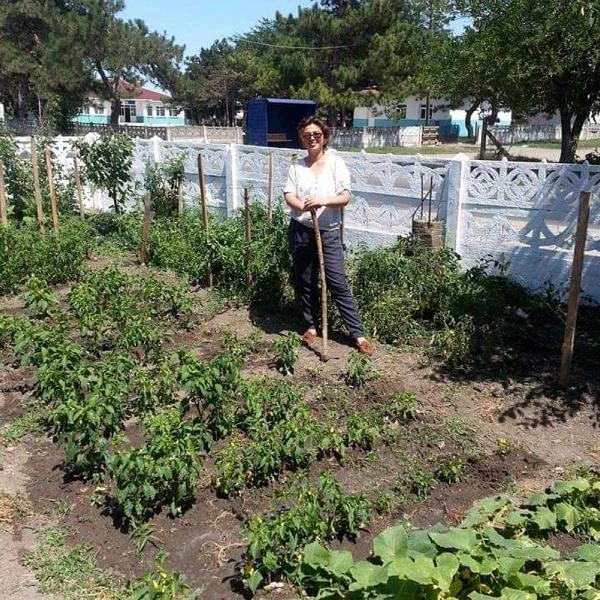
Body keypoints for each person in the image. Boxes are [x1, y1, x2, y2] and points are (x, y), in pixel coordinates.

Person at [284, 115, 373, 355]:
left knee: (337, 282)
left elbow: (345, 197)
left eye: (317, 134)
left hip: (328, 233)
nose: (312, 138)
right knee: (306, 281)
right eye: (307, 135)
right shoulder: (296, 166)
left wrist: (323, 200)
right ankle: (311, 327)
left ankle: (358, 334)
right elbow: (289, 195)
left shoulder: (336, 163)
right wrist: (303, 206)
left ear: (324, 137)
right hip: (302, 230)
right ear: (302, 138)